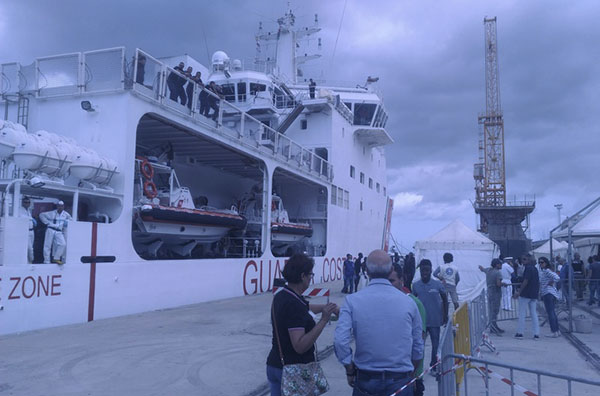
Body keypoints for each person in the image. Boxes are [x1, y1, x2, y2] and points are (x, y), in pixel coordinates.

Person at [334, 250, 423, 396]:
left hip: (366, 379)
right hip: (400, 378)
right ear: (390, 270)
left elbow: (340, 341)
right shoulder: (408, 302)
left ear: (367, 271)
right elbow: (418, 345)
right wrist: (411, 371)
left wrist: (350, 370)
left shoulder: (352, 301)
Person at [266, 254, 338, 396]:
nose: (311, 278)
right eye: (310, 274)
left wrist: (328, 307)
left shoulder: (283, 295)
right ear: (303, 276)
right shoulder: (294, 304)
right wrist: (324, 320)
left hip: (274, 365)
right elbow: (300, 346)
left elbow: (305, 306)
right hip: (292, 369)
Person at [389, 263, 427, 396]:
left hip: (409, 375)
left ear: (402, 280)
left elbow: (419, 342)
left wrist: (413, 375)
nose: (388, 285)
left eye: (392, 281)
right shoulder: (384, 303)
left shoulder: (414, 304)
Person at [412, 259, 448, 373]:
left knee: (435, 344)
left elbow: (445, 299)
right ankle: (418, 368)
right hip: (421, 322)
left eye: (427, 270)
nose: (425, 273)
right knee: (419, 345)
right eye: (423, 270)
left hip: (435, 320)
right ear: (420, 271)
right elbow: (412, 302)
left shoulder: (437, 284)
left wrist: (445, 315)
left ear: (431, 270)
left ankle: (433, 365)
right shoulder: (416, 285)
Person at [514, 254, 540, 339]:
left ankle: (520, 333)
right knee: (533, 314)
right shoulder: (535, 269)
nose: (523, 261)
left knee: (522, 313)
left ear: (529, 260)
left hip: (526, 294)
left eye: (525, 259)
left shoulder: (528, 269)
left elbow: (526, 281)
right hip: (533, 294)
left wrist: (518, 292)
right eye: (522, 259)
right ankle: (536, 333)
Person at [479, 259, 504, 335]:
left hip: (490, 292)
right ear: (497, 265)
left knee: (491, 309)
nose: (501, 265)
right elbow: (498, 284)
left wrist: (481, 267)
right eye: (500, 264)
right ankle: (493, 327)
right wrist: (504, 284)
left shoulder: (489, 270)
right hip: (496, 292)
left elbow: (483, 269)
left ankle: (494, 325)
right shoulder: (498, 273)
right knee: (495, 310)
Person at [538, 257, 561, 337]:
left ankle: (554, 331)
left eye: (542, 262)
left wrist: (552, 281)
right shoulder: (547, 271)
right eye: (539, 262)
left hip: (547, 293)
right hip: (550, 293)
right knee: (552, 313)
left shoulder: (546, 271)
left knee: (550, 313)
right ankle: (557, 330)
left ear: (546, 263)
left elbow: (557, 277)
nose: (541, 264)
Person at [19, 196, 36, 263]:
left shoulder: (29, 210)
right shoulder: (19, 210)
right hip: (25, 231)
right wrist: (31, 219)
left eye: (28, 202)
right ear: (22, 203)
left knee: (31, 247)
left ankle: (29, 262)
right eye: (25, 202)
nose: (27, 204)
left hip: (32, 231)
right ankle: (31, 260)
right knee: (29, 248)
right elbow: (22, 217)